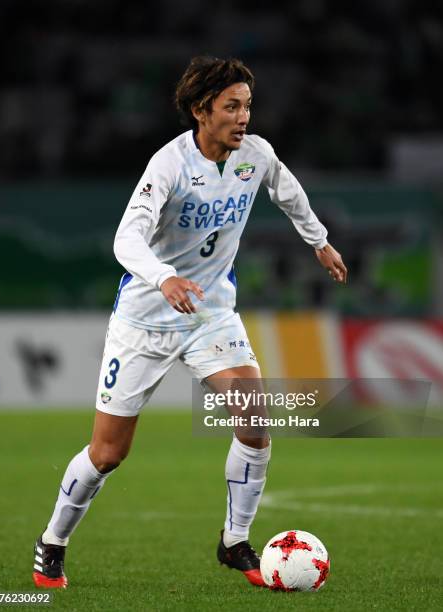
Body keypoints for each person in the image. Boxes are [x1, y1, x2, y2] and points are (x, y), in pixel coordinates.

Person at [32, 56, 347, 590]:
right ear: (202, 111)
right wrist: (164, 279)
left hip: (210, 314)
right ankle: (53, 542)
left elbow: (288, 192)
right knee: (108, 453)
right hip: (145, 321)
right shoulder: (169, 165)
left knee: (253, 411)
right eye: (231, 106)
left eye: (247, 105)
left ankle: (234, 540)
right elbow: (126, 239)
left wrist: (318, 242)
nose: (243, 116)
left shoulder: (256, 155)